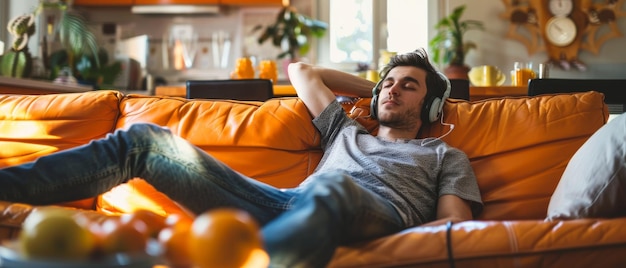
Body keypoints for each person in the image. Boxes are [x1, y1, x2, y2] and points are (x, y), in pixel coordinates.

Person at [0, 48, 483, 267]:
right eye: (389, 84)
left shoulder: (445, 154)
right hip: (287, 203)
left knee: (336, 188)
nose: (394, 91)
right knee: (144, 140)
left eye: (409, 86)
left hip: (373, 212)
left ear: (432, 106)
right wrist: (378, 87)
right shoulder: (345, 130)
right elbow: (302, 70)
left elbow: (453, 229)